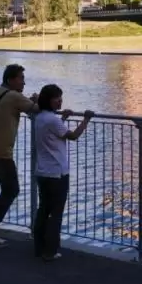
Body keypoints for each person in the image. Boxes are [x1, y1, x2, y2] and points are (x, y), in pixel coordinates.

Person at [0, 63, 56, 249]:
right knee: (12, 190)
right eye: (21, 78)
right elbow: (36, 109)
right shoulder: (13, 96)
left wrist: (31, 100)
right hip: (0, 154)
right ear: (10, 79)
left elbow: (20, 103)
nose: (24, 82)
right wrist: (37, 99)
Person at [32, 83, 93, 261]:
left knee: (43, 210)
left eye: (60, 97)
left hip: (42, 172)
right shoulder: (52, 120)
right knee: (55, 213)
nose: (60, 101)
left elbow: (54, 133)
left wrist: (63, 118)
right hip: (57, 173)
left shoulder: (40, 117)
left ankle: (39, 247)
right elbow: (73, 136)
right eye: (56, 98)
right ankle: (50, 251)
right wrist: (86, 119)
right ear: (48, 100)